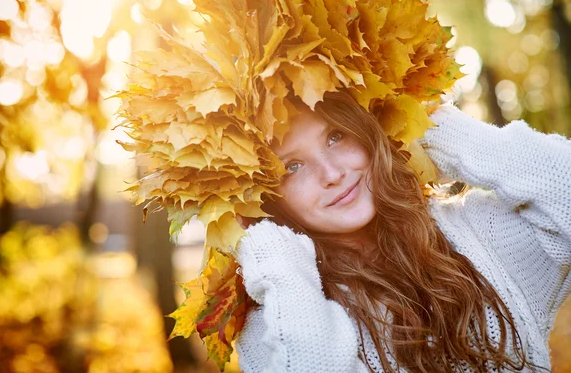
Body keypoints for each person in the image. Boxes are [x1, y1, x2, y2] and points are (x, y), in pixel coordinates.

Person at [233, 91, 571, 372]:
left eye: (335, 136)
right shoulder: (276, 323)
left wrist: (443, 133)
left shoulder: (483, 234)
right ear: (266, 198)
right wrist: (284, 272)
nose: (332, 173)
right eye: (292, 167)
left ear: (369, 131)